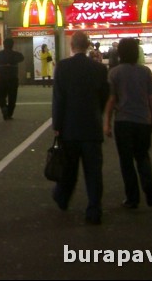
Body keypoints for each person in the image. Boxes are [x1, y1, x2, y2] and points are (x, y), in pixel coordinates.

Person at [51, 31, 110, 225]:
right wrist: (97, 114)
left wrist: (57, 125)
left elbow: (59, 99)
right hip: (91, 127)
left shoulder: (63, 67)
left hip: (69, 127)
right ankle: (94, 209)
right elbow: (104, 97)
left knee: (69, 168)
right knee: (94, 172)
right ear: (87, 46)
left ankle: (62, 198)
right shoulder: (99, 69)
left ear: (72, 46)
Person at [104, 37, 152, 210]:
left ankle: (132, 198)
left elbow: (112, 100)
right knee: (142, 156)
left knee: (126, 161)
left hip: (123, 122)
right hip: (143, 120)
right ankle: (149, 189)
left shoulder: (114, 73)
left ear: (120, 53)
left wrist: (107, 122)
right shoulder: (145, 72)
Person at [0, 37, 25, 121]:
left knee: (0, 95)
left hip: (2, 78)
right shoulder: (16, 54)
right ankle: (9, 114)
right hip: (13, 79)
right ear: (12, 45)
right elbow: (22, 58)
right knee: (12, 97)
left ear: (4, 44)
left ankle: (3, 107)